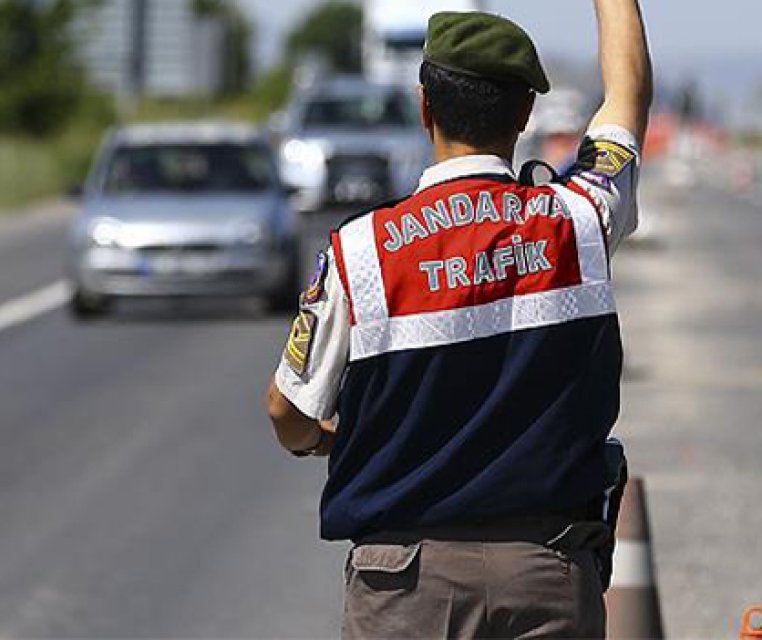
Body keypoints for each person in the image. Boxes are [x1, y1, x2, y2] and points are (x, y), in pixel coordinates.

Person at [265, 2, 652, 638]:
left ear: (425, 108)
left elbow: (288, 413)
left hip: (403, 587)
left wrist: (331, 441)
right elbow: (627, 100)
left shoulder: (361, 252)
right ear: (525, 114)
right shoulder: (579, 219)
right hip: (548, 573)